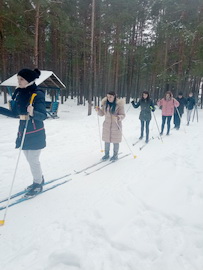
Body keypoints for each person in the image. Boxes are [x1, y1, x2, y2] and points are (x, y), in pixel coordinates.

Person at [0, 68, 47, 197]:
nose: (18, 81)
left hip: (35, 131)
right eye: (18, 79)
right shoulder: (19, 93)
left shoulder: (37, 94)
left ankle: (38, 183)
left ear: (29, 80)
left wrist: (32, 112)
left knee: (33, 159)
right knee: (29, 158)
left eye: (21, 79)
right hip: (23, 131)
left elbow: (43, 116)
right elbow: (15, 114)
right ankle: (39, 179)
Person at [95, 91, 125, 161]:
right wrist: (98, 110)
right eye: (108, 97)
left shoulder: (119, 105)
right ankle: (106, 154)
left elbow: (123, 115)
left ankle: (115, 155)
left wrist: (118, 117)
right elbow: (102, 113)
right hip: (107, 126)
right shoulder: (105, 104)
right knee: (106, 141)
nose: (109, 98)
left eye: (110, 97)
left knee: (115, 141)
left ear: (114, 96)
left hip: (116, 126)